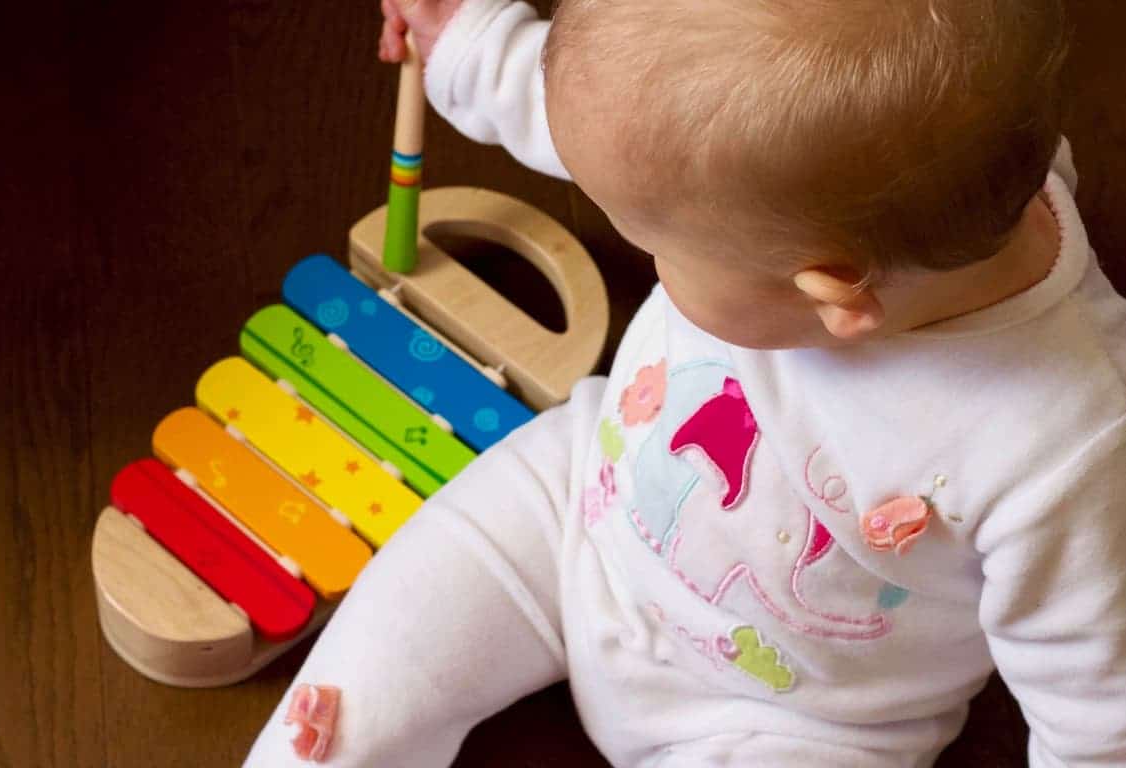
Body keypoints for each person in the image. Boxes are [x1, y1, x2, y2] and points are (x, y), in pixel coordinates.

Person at [246, 0, 1126, 764]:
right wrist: (472, 44)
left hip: (790, 719)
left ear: (830, 296)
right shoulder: (927, 169)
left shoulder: (1066, 452)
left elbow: (1097, 713)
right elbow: (640, 122)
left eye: (659, 246)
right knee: (356, 692)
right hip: (573, 513)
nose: (650, 255)